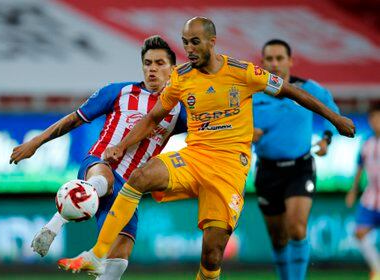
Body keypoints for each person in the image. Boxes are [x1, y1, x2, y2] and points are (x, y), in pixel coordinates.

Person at [92, 17, 355, 279]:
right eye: (185, 43)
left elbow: (300, 94)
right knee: (142, 178)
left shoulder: (251, 75)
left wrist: (334, 122)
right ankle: (97, 253)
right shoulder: (185, 78)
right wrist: (122, 144)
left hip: (261, 169)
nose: (190, 49)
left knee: (261, 240)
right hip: (226, 163)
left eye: (195, 42)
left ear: (212, 42)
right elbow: (154, 118)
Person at [9, 35, 186, 279]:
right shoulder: (118, 91)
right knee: (104, 179)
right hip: (99, 164)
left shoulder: (179, 109)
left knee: (119, 257)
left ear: (173, 69)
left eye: (159, 63)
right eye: (147, 63)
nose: (152, 69)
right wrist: (35, 142)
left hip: (130, 188)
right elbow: (74, 119)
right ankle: (54, 225)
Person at [252, 39, 340, 280]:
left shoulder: (308, 89)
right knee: (278, 237)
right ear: (262, 63)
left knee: (297, 227)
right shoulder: (252, 94)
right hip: (267, 171)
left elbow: (332, 110)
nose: (275, 63)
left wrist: (326, 139)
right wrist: (247, 134)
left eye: (280, 58)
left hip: (300, 168)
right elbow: (234, 128)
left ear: (290, 61)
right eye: (269, 59)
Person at [346, 104, 380, 280]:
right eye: (373, 119)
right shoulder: (367, 143)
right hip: (371, 197)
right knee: (359, 233)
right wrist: (353, 191)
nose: (375, 122)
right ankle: (377, 269)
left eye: (378, 118)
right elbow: (359, 168)